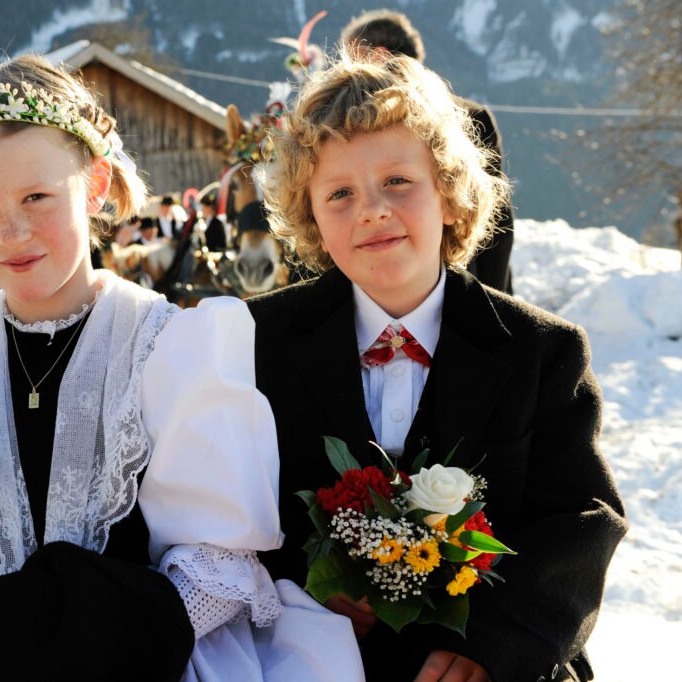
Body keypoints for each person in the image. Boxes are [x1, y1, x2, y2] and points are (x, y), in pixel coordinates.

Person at [0, 55, 362, 682]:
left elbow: (214, 568)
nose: (12, 232)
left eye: (37, 196)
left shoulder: (173, 349)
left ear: (92, 186)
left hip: (148, 647)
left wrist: (64, 633)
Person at [248, 52, 627, 681]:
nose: (371, 209)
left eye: (398, 181)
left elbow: (578, 520)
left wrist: (493, 646)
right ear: (310, 217)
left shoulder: (541, 352)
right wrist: (296, 583)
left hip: (495, 655)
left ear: (449, 195)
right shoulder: (259, 342)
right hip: (310, 653)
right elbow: (228, 509)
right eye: (339, 193)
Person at [340, 8, 515, 294]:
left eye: (349, 62)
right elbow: (497, 229)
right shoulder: (471, 114)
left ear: (378, 57)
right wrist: (495, 302)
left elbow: (494, 221)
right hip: (465, 293)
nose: (342, 76)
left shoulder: (349, 130)